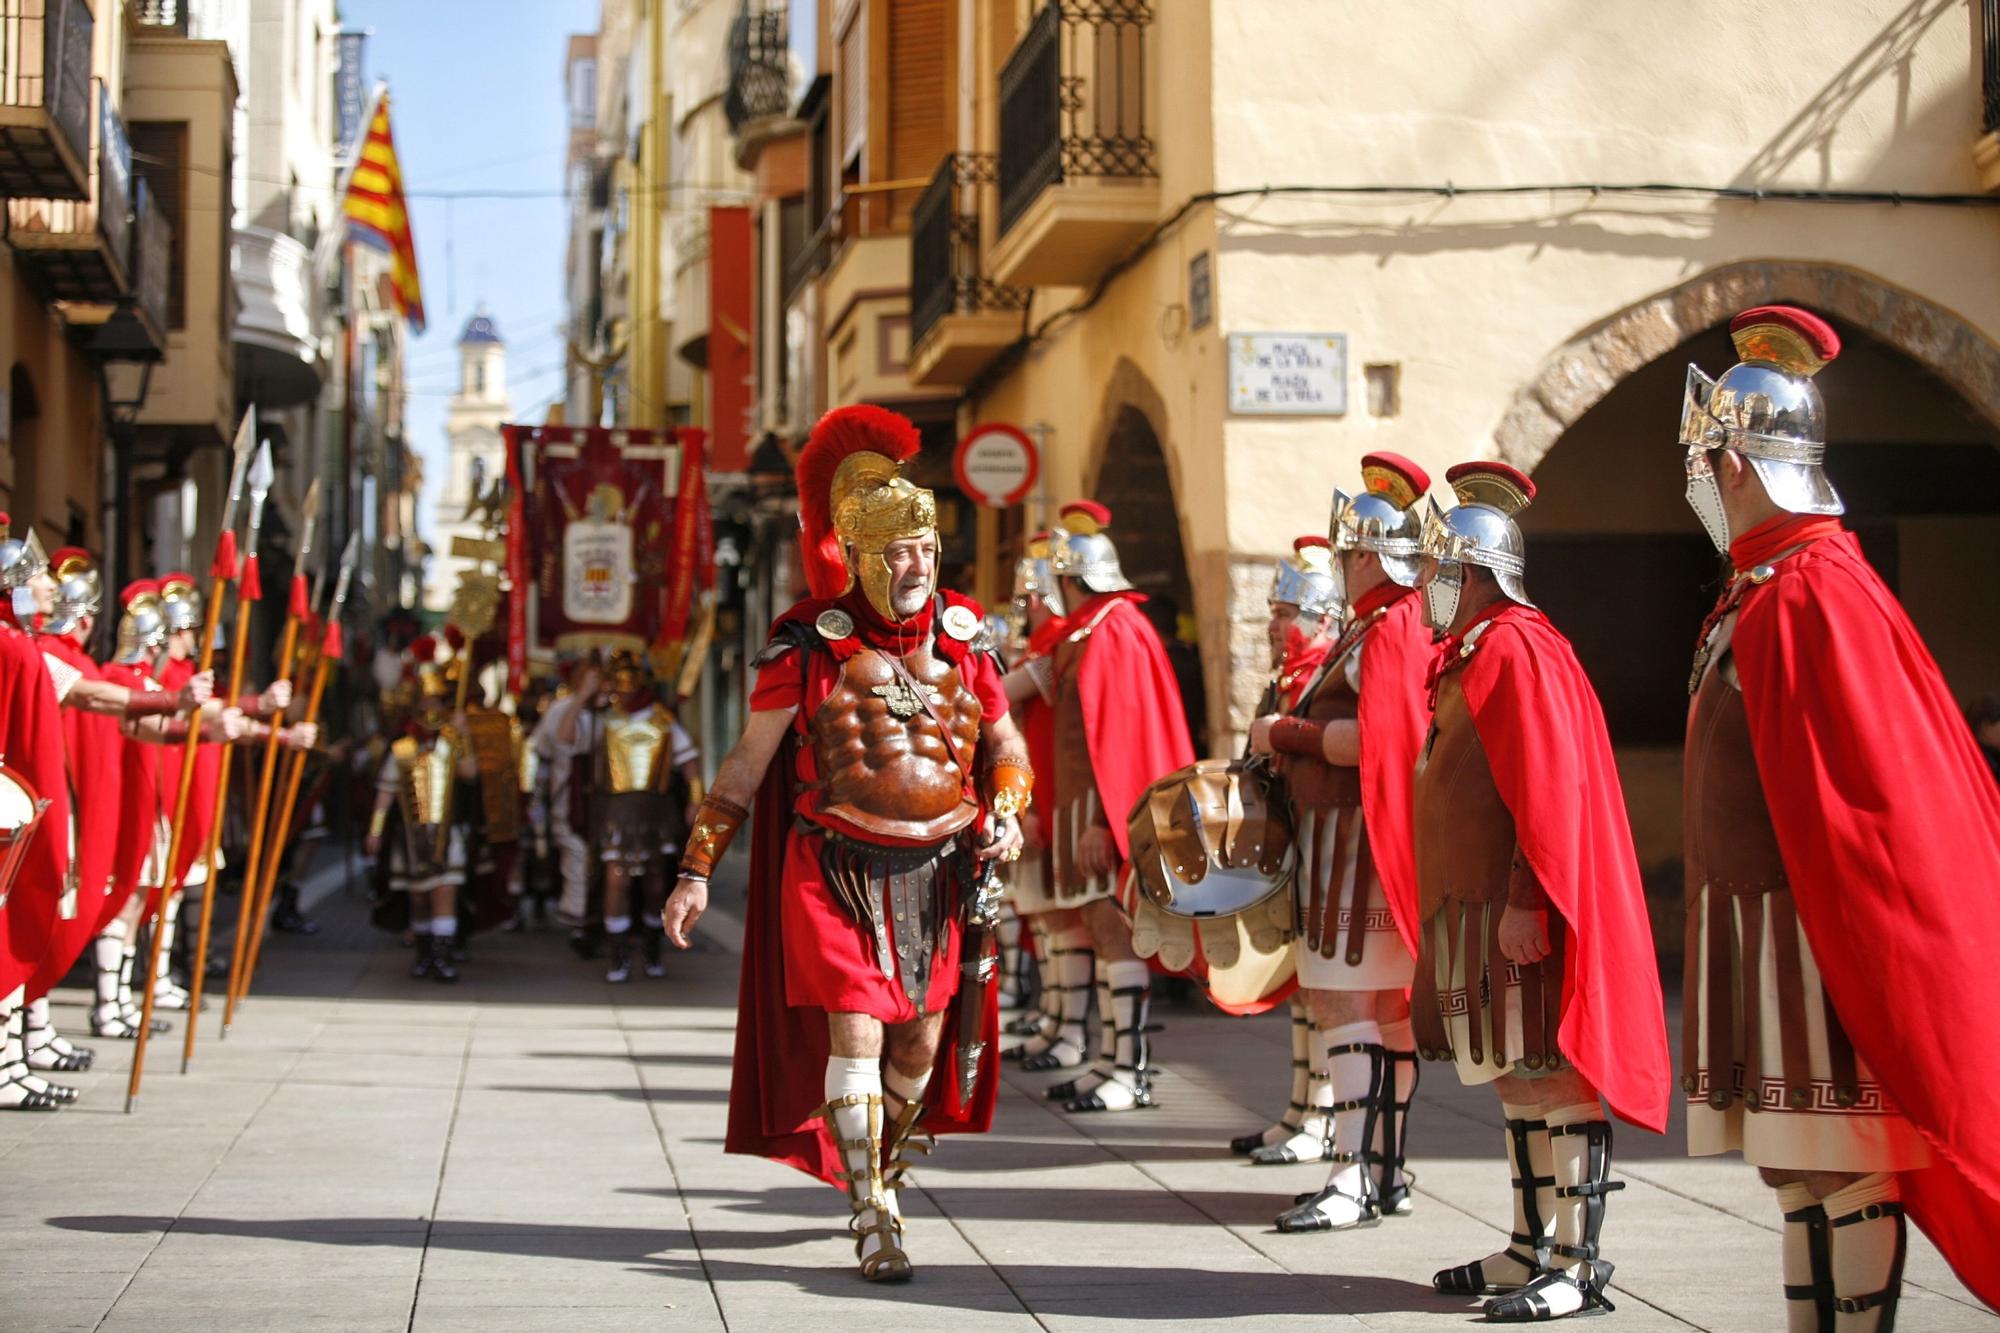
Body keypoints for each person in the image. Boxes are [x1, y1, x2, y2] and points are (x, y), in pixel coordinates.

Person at [1677, 304, 2000, 1325]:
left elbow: (1870, 794)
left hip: (1814, 934)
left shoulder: (1813, 591)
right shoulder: (1760, 588)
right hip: (1760, 925)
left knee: (1842, 1162)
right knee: (1794, 1166)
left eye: (1702, 459)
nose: (1696, 482)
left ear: (1735, 463)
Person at [660, 404, 1027, 1282]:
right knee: (856, 1036)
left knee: (920, 1048)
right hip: (835, 872)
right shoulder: (807, 649)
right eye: (901, 552)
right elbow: (745, 769)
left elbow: (1003, 745)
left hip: (939, 874)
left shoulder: (966, 644)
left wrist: (1008, 805)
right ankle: (873, 1211)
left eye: (929, 550)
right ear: (862, 554)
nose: (918, 567)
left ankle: (880, 1167)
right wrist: (695, 869)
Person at [1410, 462, 1669, 1322]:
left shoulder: (1518, 647)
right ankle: (1528, 1243)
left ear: (1473, 572)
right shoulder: (1475, 649)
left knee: (1554, 1076)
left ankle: (1577, 1260)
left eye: (1440, 571)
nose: (1427, 588)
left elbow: (1547, 786)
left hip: (1513, 906)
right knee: (1516, 1079)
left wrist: (1528, 894)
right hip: (1473, 905)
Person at [1249, 459, 1435, 1235]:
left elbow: (1378, 741)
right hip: (1347, 842)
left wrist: (1284, 733)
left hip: (1356, 847)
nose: (1340, 566)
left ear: (1365, 554)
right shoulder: (1378, 624)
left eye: (1344, 553)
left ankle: (1354, 1172)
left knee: (1347, 1005)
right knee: (1377, 1013)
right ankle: (1381, 1170)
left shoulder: (1388, 625)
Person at [1036, 500, 1196, 1113]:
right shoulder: (1090, 628)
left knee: (1116, 934)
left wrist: (1105, 821)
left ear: (1073, 578)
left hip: (1104, 813)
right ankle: (1109, 1059)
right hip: (1081, 808)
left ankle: (1130, 1068)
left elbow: (1121, 734)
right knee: (1101, 935)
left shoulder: (1114, 628)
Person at [1231, 534, 1345, 1165]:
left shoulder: (1326, 675)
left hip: (1324, 845)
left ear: (1321, 617)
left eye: (1285, 613)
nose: (1275, 625)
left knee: (1325, 990)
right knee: (1302, 988)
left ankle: (1323, 1117)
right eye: (1275, 612)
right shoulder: (1287, 678)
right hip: (1289, 845)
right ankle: (1301, 1108)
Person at [997, 533, 1094, 1074]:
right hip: (1037, 794)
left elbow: (1000, 696)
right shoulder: (1045, 646)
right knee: (1050, 920)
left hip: (1054, 798)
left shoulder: (1055, 644)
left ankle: (1068, 1031)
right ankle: (1058, 1023)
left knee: (1064, 919)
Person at [0, 516, 78, 1111]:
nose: (47, 586)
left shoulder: (21, 641)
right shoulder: (12, 643)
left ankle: (11, 1058)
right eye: (36, 577)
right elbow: (91, 695)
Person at [365, 638, 480, 983]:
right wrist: (374, 830)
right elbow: (386, 793)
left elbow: (471, 773)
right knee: (419, 898)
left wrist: (464, 738)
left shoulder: (450, 742)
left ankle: (443, 958)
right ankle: (424, 954)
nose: (432, 708)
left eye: (437, 702)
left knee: (445, 892)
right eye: (426, 702)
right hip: (411, 835)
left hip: (446, 832)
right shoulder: (402, 748)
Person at [593, 651, 699, 983]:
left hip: (655, 808)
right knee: (617, 881)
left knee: (655, 883)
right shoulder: (605, 720)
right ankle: (617, 955)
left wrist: (696, 800)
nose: (622, 692)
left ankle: (652, 951)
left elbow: (689, 762)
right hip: (618, 809)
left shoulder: (663, 719)